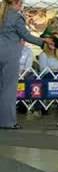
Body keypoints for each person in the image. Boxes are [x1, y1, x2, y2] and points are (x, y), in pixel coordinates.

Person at [0, 0, 51, 129]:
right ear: (15, 3)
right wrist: (43, 42)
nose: (21, 6)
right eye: (20, 4)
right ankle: (8, 122)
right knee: (9, 90)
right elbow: (26, 36)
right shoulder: (16, 17)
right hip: (10, 56)